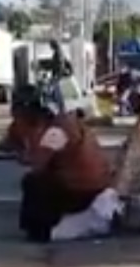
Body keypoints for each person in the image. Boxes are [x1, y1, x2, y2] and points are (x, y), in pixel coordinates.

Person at [9, 91, 111, 243]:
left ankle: (40, 231)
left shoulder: (57, 130)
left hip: (84, 189)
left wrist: (29, 152)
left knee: (33, 182)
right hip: (93, 185)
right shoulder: (64, 123)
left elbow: (38, 164)